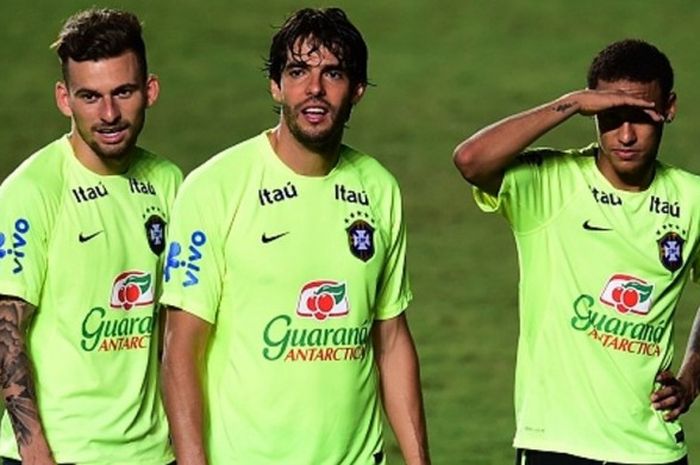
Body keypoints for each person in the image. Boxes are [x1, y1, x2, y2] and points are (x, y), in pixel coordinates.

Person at [159, 7, 430, 465]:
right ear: (275, 85)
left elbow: (392, 338)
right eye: (298, 71)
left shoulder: (378, 188)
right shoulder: (215, 188)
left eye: (334, 73)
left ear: (358, 89)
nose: (315, 89)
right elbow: (179, 350)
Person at [453, 38, 700, 465]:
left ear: (669, 108)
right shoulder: (551, 185)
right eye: (610, 116)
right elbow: (471, 160)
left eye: (640, 117)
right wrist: (570, 103)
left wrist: (692, 375)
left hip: (654, 450)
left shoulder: (693, 199)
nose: (625, 135)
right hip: (558, 445)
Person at [0, 8, 181, 465]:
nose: (108, 114)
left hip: (151, 455)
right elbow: (5, 326)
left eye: (123, 92)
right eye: (89, 96)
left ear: (150, 90)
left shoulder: (169, 183)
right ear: (64, 99)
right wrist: (35, 453)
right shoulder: (32, 191)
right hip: (62, 454)